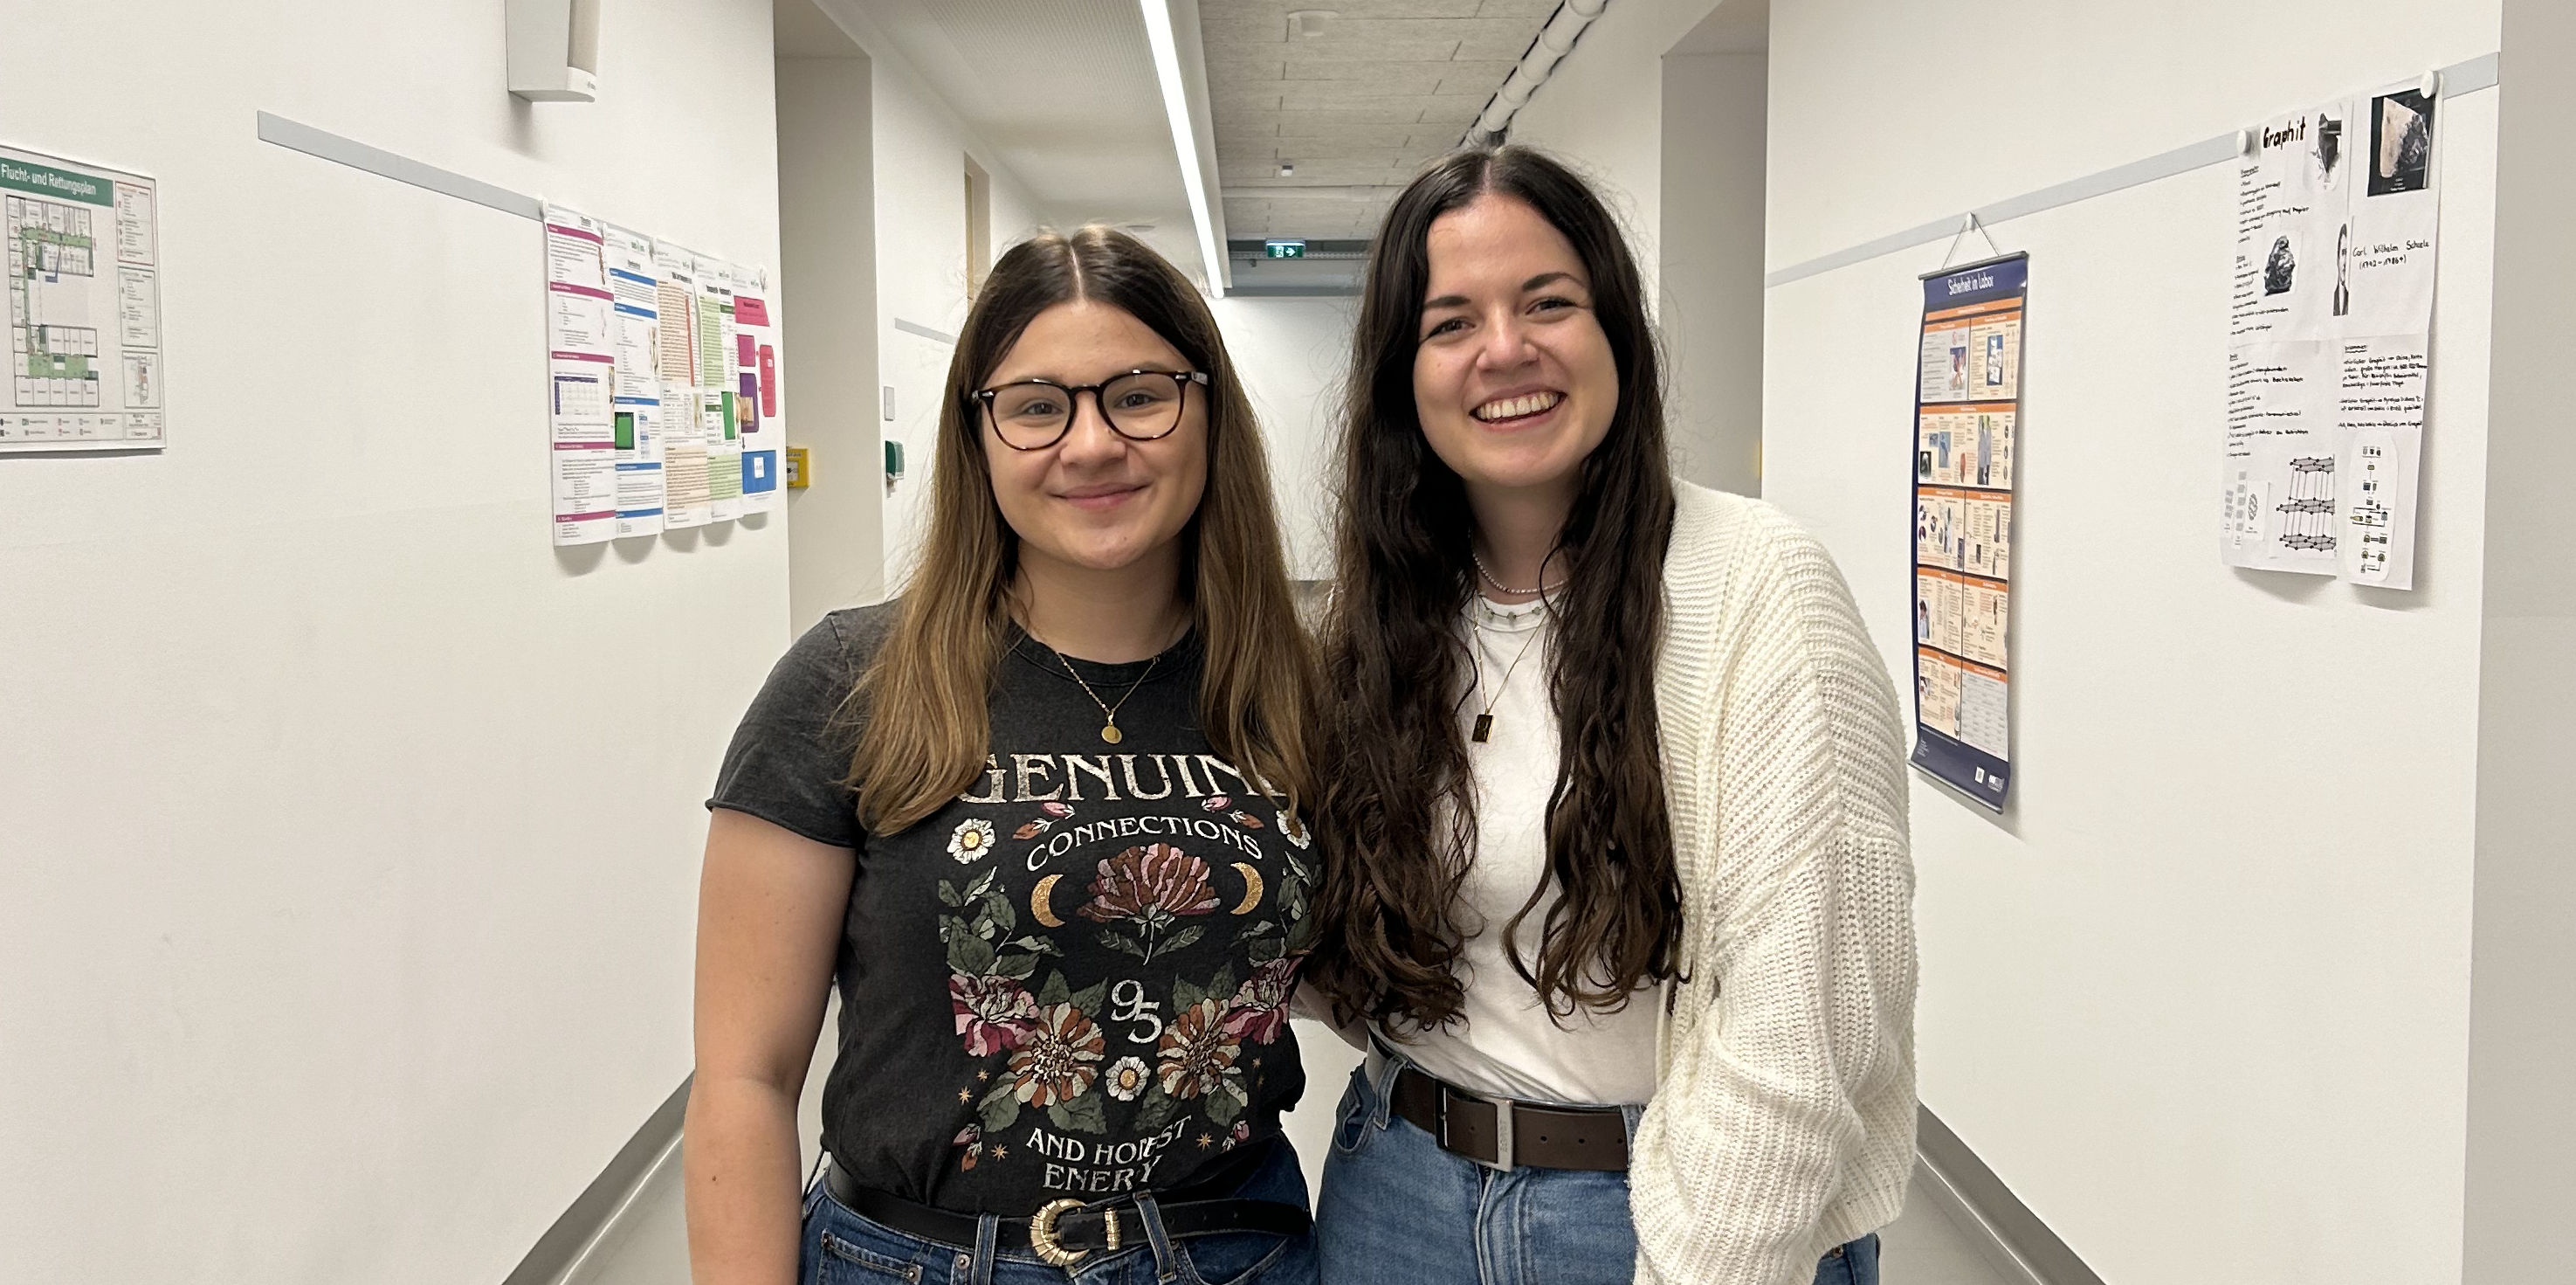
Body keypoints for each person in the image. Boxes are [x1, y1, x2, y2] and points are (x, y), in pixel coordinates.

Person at [1302, 147, 1918, 1285]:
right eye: (1450, 322)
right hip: (1397, 1186)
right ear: (1400, 374)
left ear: (1615, 332)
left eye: (1547, 302)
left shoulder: (1756, 586)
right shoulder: (1383, 617)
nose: (1504, 348)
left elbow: (1805, 1023)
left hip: (1660, 1209)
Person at [686, 225, 1323, 1285]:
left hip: (1234, 1255)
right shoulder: (852, 682)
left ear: (1209, 412)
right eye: (1036, 406)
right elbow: (743, 1080)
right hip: (921, 1260)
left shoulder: (1293, 686)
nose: (1092, 444)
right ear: (977, 434)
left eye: (1139, 395)